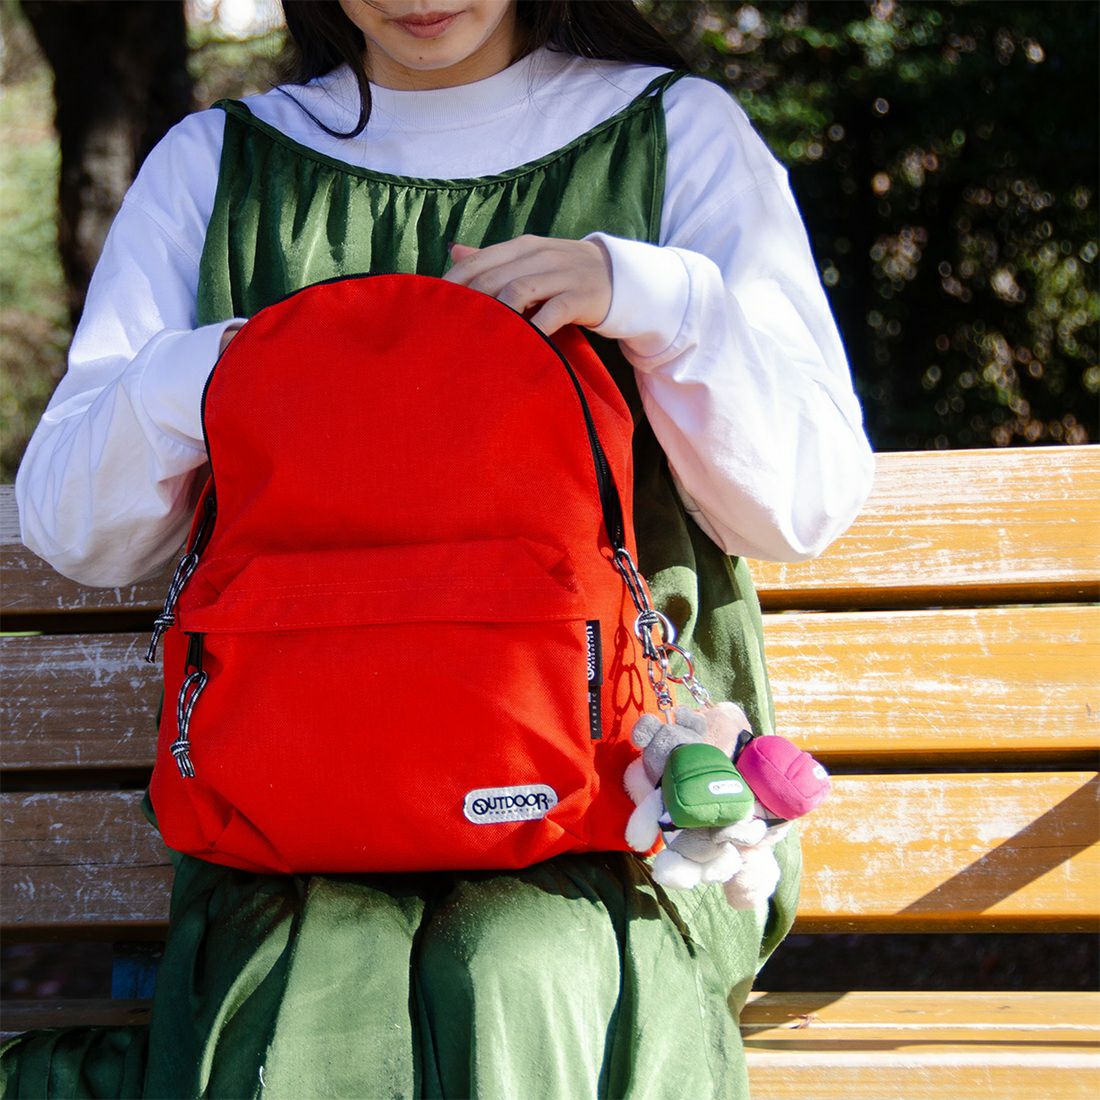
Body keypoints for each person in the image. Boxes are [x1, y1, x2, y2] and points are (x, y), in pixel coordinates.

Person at [5, 1, 875, 1097]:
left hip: (623, 815)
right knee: (319, 993)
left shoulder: (671, 135)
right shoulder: (220, 166)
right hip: (292, 814)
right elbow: (77, 529)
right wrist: (239, 361)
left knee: (520, 968)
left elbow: (798, 508)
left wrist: (654, 299)